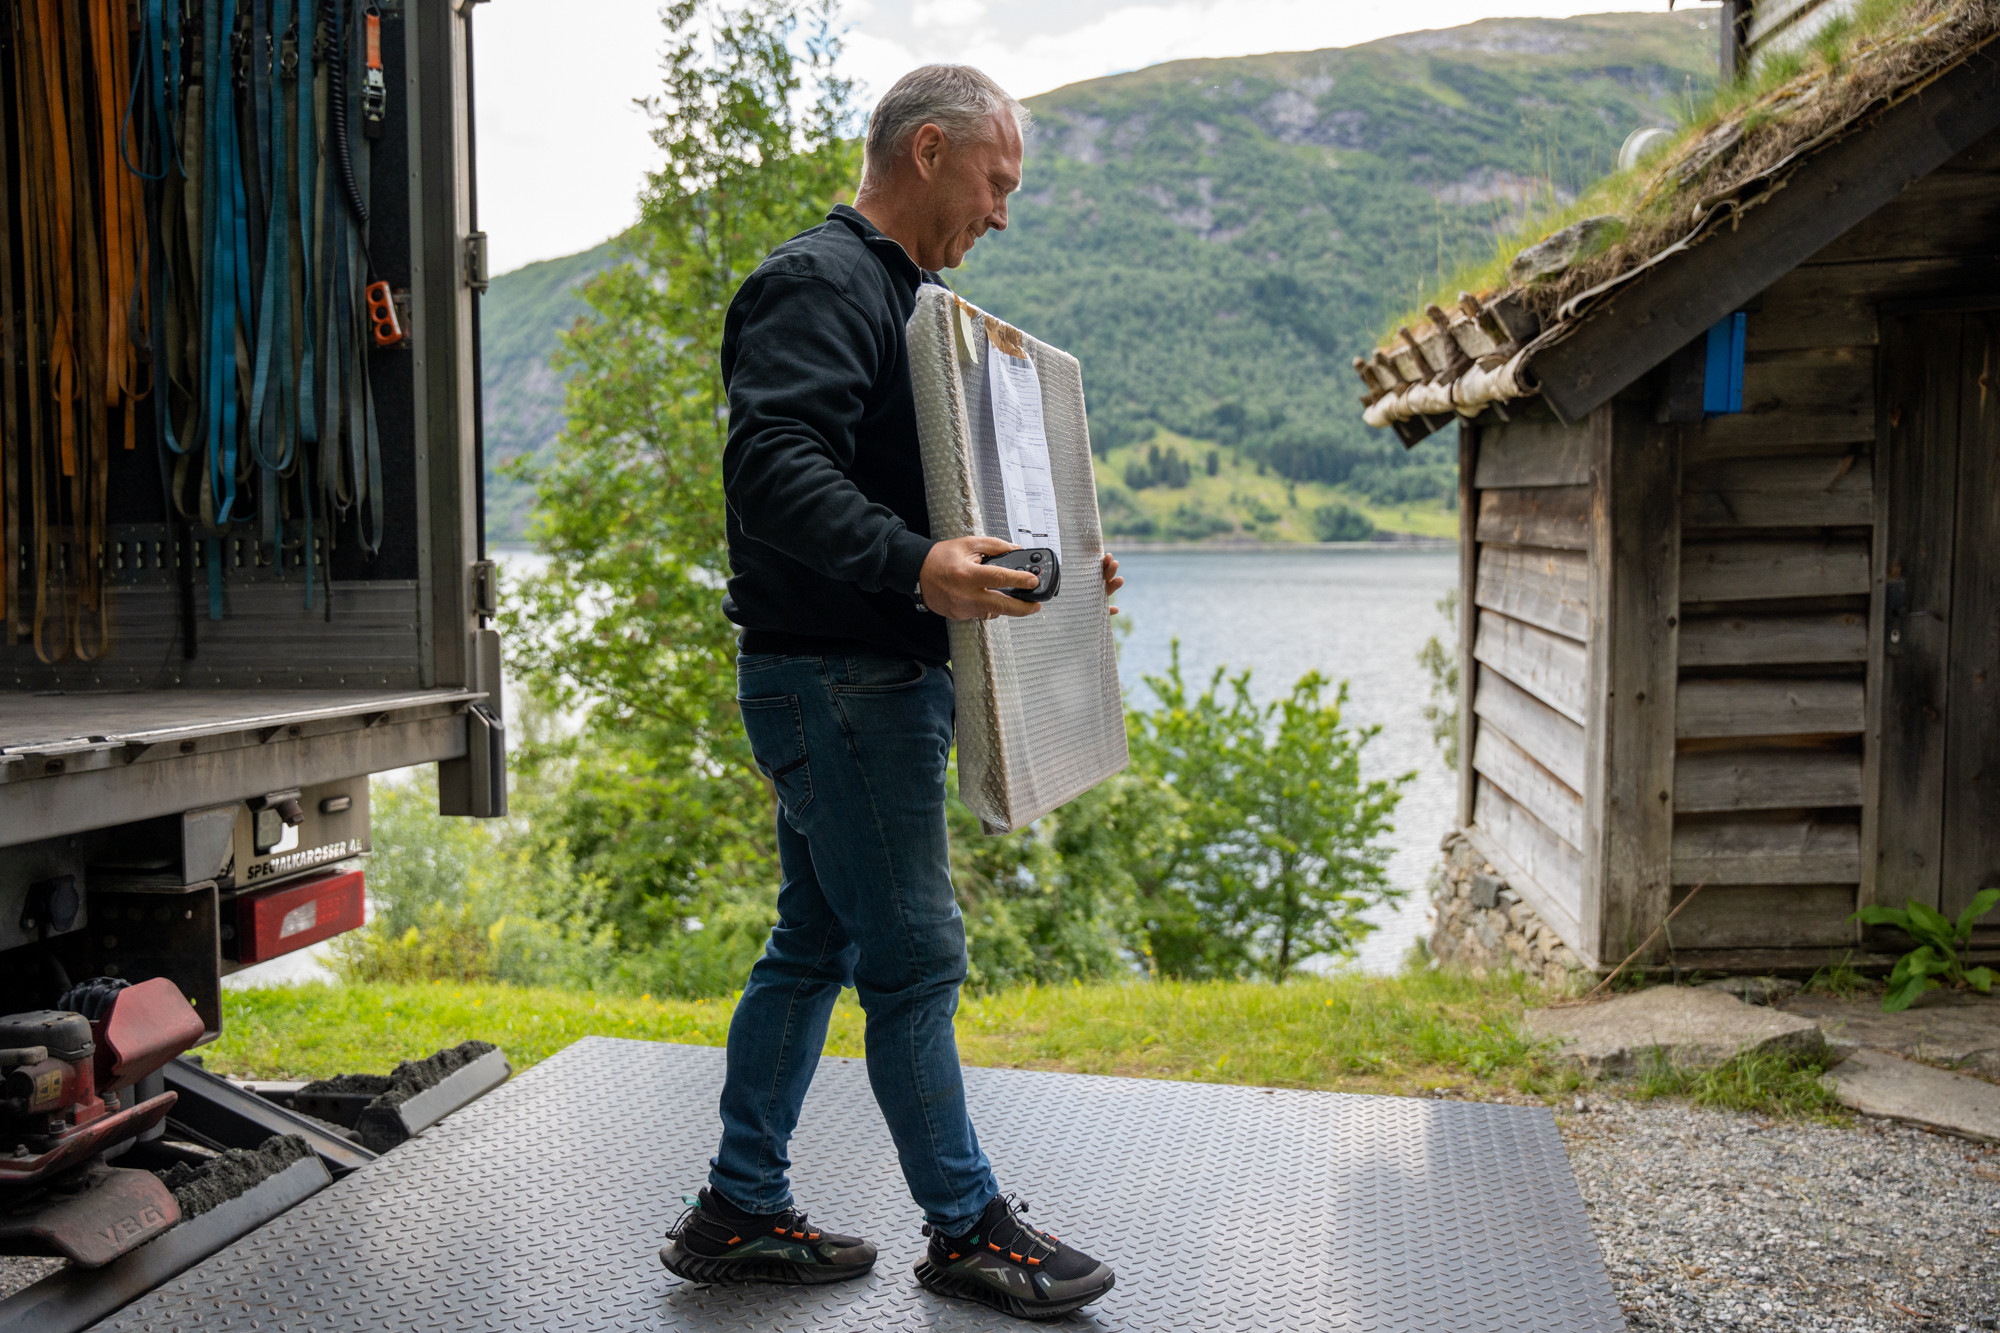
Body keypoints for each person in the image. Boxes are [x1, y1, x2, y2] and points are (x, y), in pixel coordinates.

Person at [657, 64, 1122, 1320]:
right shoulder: (823, 281)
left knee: (810, 947)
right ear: (928, 150)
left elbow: (922, 494)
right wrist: (916, 563)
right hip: (840, 684)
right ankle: (969, 1227)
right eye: (995, 180)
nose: (1002, 212)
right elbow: (771, 465)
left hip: (856, 680)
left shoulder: (913, 306)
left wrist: (1045, 566)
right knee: (913, 959)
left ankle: (736, 1206)